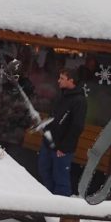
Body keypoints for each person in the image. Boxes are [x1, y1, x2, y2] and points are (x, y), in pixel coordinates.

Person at [38, 68, 87, 196]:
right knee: (44, 170)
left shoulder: (79, 101)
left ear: (71, 81)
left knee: (60, 177)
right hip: (49, 141)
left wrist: (65, 147)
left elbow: (77, 126)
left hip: (62, 147)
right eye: (59, 77)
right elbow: (54, 116)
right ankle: (48, 198)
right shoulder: (62, 95)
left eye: (62, 78)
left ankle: (60, 208)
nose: (58, 81)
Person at [0, 72, 35, 164]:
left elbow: (30, 115)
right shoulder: (3, 88)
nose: (11, 78)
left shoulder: (27, 92)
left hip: (15, 136)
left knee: (10, 163)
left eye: (15, 76)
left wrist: (19, 123)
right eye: (9, 75)